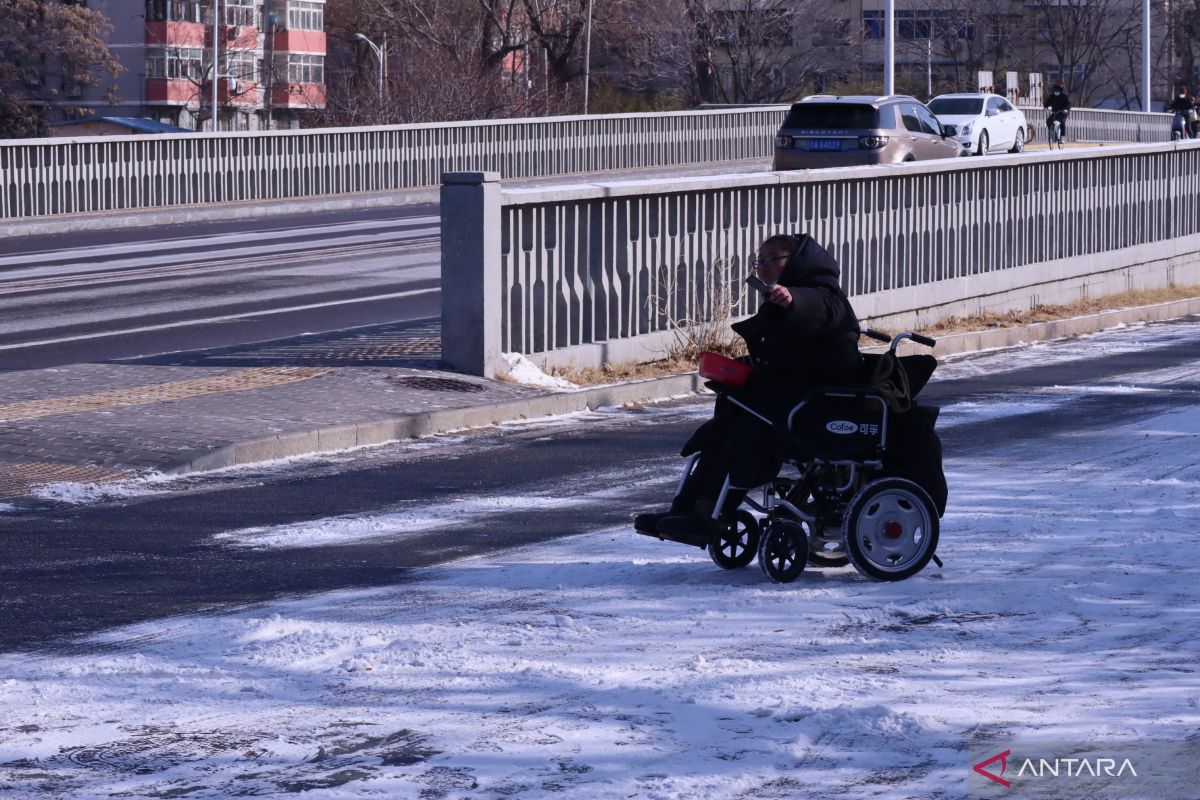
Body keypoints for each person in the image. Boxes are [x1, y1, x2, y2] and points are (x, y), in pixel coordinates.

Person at [634, 233, 863, 538]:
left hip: (816, 408)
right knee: (720, 431)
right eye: (759, 261)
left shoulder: (824, 295)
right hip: (791, 399)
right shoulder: (777, 302)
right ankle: (686, 509)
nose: (763, 267)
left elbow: (814, 307)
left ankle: (711, 515)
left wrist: (792, 299)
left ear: (794, 262)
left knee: (744, 433)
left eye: (772, 260)